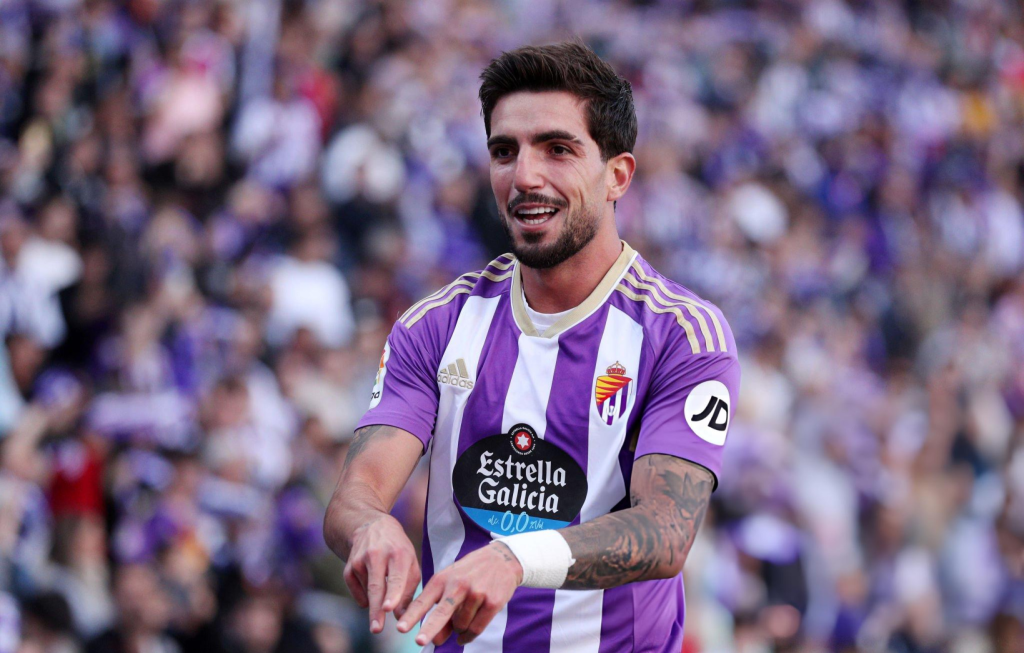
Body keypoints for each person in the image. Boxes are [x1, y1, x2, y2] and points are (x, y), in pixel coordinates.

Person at [323, 41, 740, 652]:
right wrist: (371, 528)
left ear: (617, 175)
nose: (524, 176)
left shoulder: (682, 335)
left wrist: (516, 559)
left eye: (558, 149)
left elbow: (666, 532)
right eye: (503, 151)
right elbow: (352, 497)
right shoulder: (436, 324)